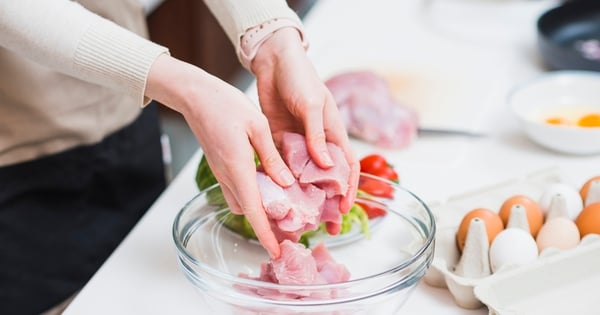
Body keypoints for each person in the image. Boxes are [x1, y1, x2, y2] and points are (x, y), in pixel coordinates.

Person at [0, 0, 359, 314]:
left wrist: (272, 38)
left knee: (139, 291)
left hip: (125, 107)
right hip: (16, 150)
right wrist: (185, 88)